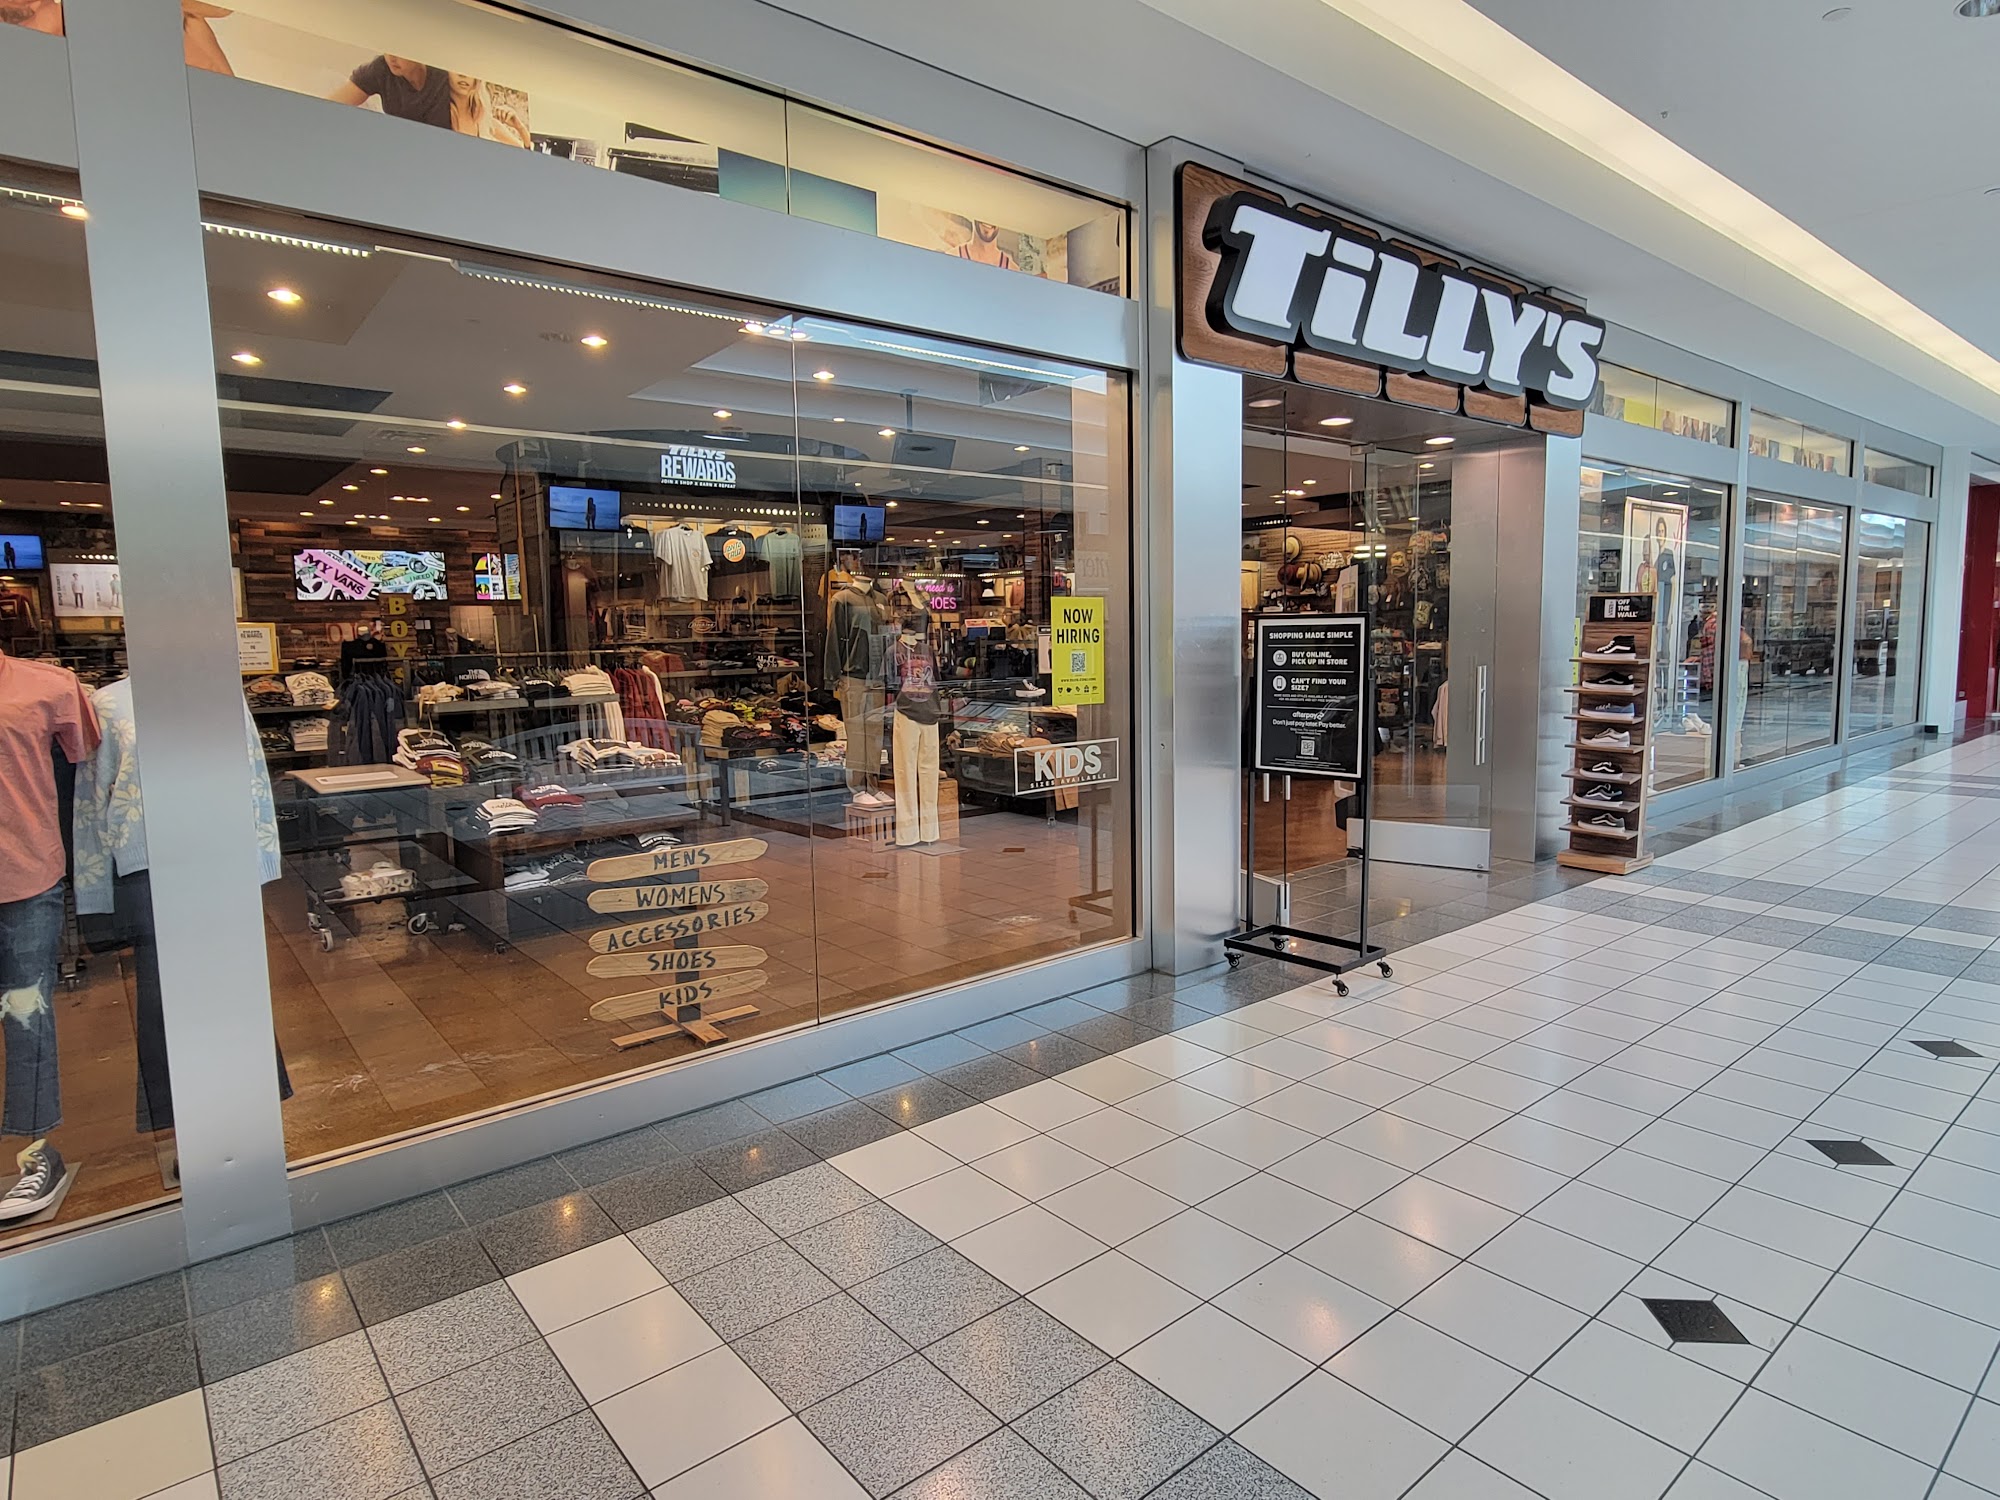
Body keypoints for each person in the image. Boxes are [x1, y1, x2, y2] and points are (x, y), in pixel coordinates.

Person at [330, 55, 451, 128]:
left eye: (399, 51)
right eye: (387, 49)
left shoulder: (447, 78)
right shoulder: (382, 69)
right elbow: (331, 106)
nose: (391, 58)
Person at [447, 72, 530, 148]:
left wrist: (520, 127)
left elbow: (524, 151)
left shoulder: (486, 123)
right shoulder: (442, 115)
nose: (463, 75)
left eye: (469, 70)